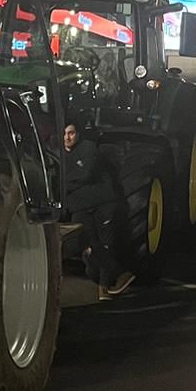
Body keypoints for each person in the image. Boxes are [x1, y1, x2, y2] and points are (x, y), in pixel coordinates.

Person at [63, 123, 134, 300]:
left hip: (102, 203)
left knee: (104, 243)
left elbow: (84, 174)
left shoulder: (88, 148)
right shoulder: (58, 155)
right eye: (64, 133)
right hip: (80, 207)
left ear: (77, 134)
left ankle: (104, 288)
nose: (67, 137)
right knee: (87, 241)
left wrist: (63, 184)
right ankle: (119, 275)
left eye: (71, 133)